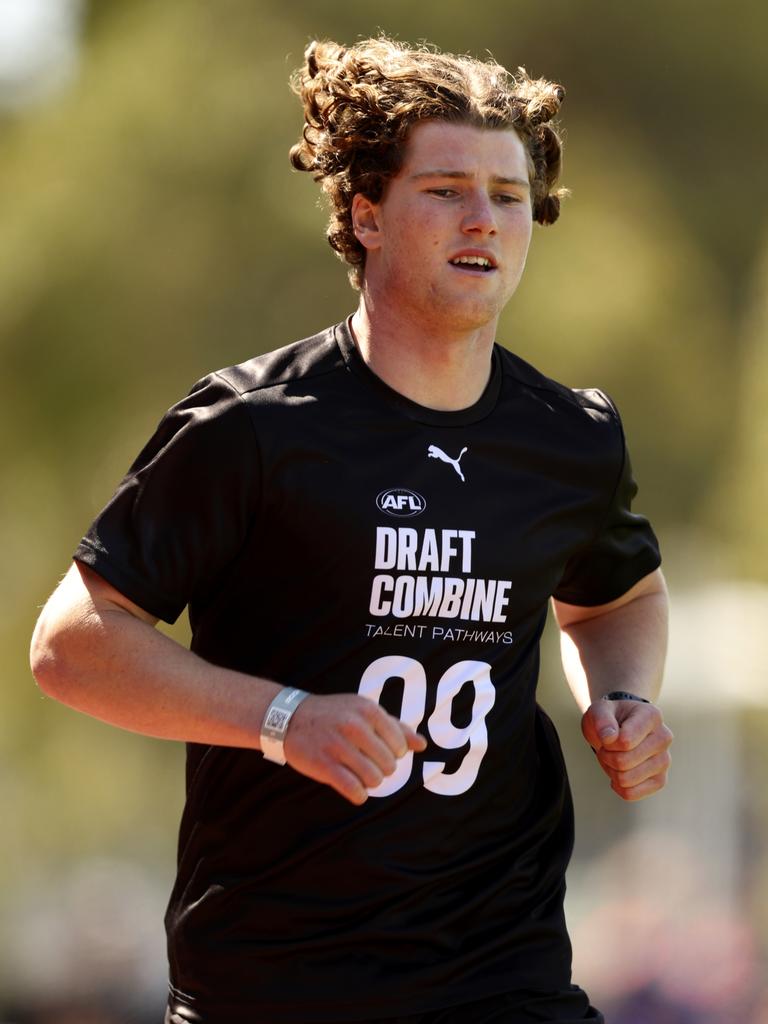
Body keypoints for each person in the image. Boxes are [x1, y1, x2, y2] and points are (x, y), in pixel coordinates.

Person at [30, 36, 673, 1024]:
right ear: (365, 213)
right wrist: (287, 720)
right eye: (446, 188)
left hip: (500, 977)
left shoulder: (570, 438)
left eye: (506, 194)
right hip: (274, 984)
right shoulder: (251, 427)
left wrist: (624, 696)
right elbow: (70, 645)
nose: (484, 219)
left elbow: (618, 596)